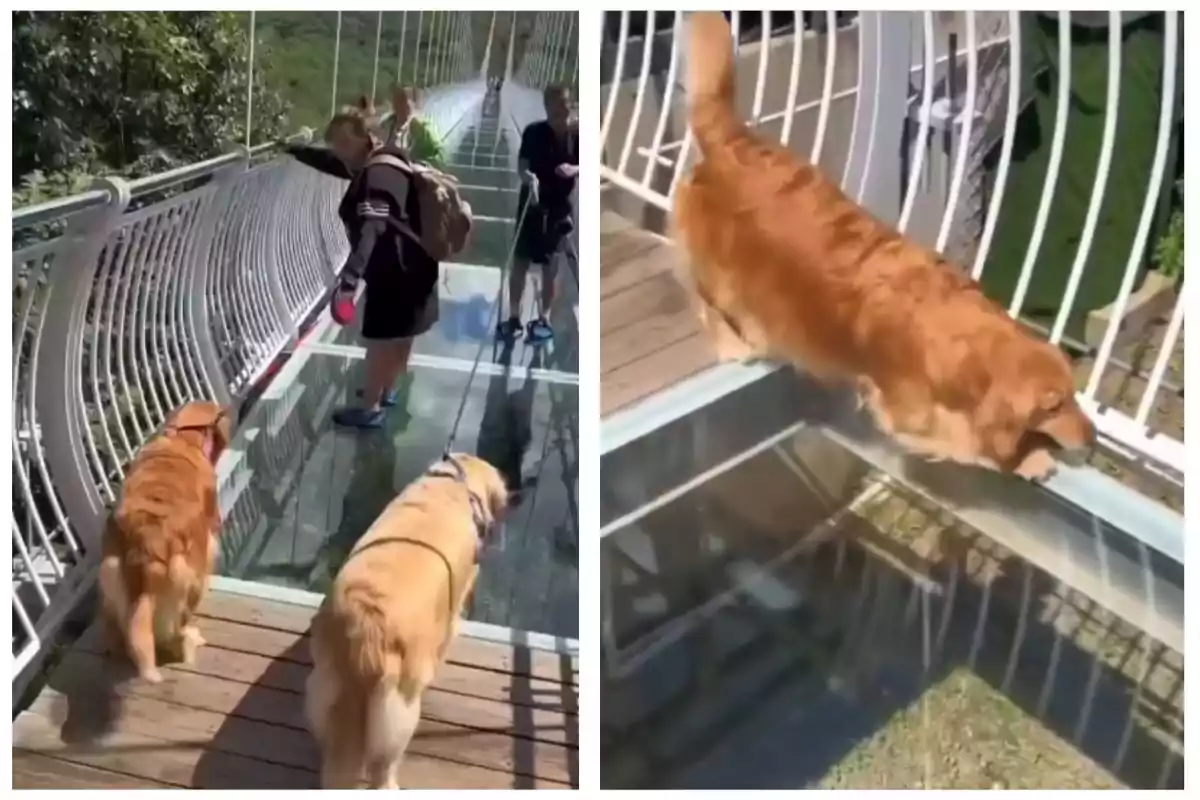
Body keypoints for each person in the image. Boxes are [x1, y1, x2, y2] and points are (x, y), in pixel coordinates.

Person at [285, 107, 440, 430]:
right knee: (402, 333)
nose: (338, 150)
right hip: (417, 263)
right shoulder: (384, 159)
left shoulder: (376, 175)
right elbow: (336, 165)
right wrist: (294, 149)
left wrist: (351, 278)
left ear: (364, 138)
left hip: (395, 269)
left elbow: (372, 226)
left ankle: (370, 407)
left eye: (343, 142)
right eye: (333, 143)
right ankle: (387, 389)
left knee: (382, 337)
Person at [497, 84, 578, 343]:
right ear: (547, 108)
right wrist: (528, 177)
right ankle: (513, 317)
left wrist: (574, 169)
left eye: (565, 103)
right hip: (531, 206)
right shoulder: (533, 132)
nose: (562, 109)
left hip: (559, 209)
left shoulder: (579, 135)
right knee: (520, 262)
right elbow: (522, 166)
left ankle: (543, 318)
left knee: (550, 267)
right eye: (556, 105)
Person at [384, 85, 445, 168]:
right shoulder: (386, 125)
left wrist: (420, 165)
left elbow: (440, 158)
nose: (399, 106)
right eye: (396, 101)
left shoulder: (424, 129)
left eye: (403, 101)